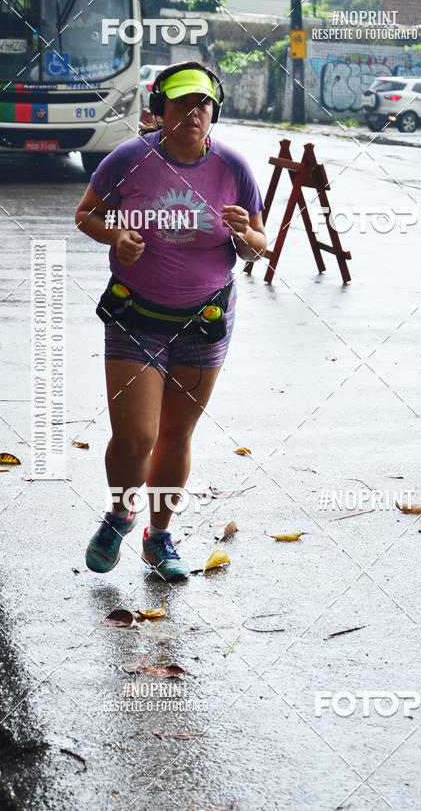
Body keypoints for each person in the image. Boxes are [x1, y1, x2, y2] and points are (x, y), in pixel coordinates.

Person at [75, 61, 267, 581]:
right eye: (181, 102)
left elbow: (259, 246)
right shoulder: (129, 160)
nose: (193, 112)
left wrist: (243, 235)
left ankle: (159, 537)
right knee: (136, 435)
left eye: (203, 103)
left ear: (215, 112)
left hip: (204, 320)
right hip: (136, 315)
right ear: (159, 111)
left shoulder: (234, 168)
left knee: (176, 436)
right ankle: (119, 513)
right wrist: (116, 236)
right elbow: (87, 213)